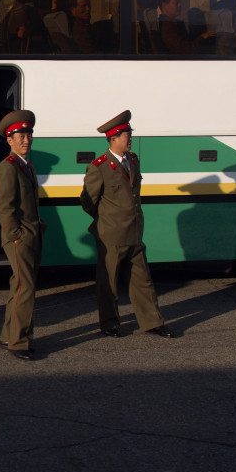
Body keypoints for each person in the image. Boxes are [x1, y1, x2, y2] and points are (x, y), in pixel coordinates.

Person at [80, 110, 174, 339]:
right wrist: (106, 220)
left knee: (143, 280)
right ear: (114, 138)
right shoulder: (99, 167)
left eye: (130, 134)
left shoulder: (133, 160)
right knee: (109, 282)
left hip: (133, 232)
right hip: (111, 234)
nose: (130, 138)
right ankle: (110, 323)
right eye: (126, 135)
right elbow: (87, 201)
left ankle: (152, 322)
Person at [0, 110, 44, 361]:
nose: (26, 139)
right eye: (20, 136)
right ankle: (19, 342)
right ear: (9, 140)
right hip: (19, 237)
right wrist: (15, 235)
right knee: (26, 288)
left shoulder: (26, 165)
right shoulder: (8, 167)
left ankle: (8, 334)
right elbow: (5, 205)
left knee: (18, 286)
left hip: (30, 233)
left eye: (28, 134)